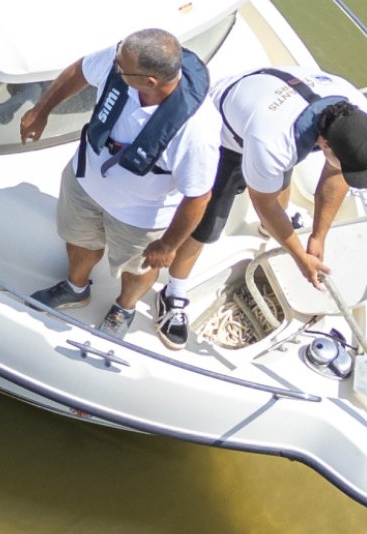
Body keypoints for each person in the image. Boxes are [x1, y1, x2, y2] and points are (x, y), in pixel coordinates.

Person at [16, 28, 219, 342]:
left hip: (141, 216)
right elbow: (80, 70)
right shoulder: (122, 58)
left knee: (138, 268)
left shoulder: (197, 132)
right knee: (79, 240)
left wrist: (167, 246)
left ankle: (124, 307)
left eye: (121, 67)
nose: (113, 65)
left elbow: (198, 197)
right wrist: (41, 110)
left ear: (150, 81)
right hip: (85, 184)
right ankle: (75, 288)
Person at [159, 65, 367, 344]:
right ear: (326, 145)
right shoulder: (274, 143)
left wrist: (318, 236)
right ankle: (172, 293)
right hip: (224, 132)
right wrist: (300, 257)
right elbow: (264, 204)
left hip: (271, 110)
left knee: (278, 181)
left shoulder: (358, 113)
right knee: (207, 224)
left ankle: (273, 230)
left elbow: (336, 173)